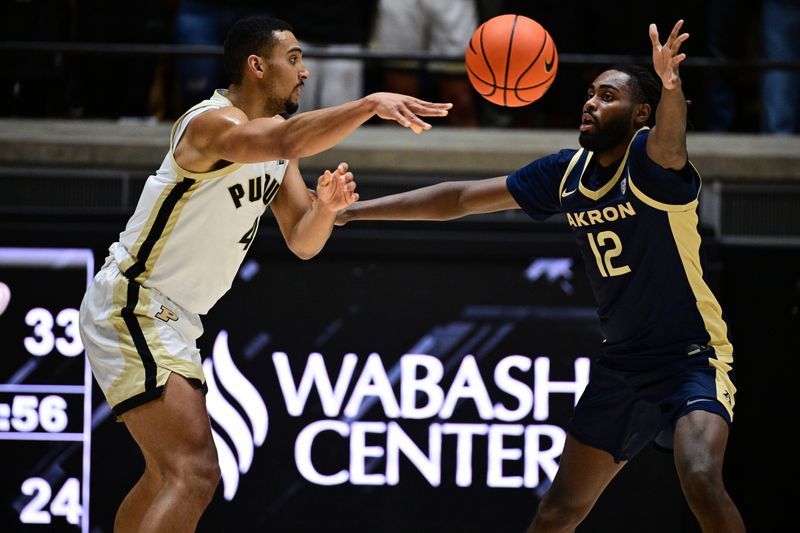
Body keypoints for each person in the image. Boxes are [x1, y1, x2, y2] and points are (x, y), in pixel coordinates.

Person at [337, 20, 745, 532]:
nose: (591, 103)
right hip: (623, 365)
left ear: (641, 114)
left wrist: (671, 87)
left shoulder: (650, 163)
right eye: (590, 94)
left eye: (608, 95)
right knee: (557, 512)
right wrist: (353, 212)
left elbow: (672, 136)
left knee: (701, 478)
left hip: (691, 355)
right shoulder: (566, 173)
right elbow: (459, 199)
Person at [78, 15, 450, 532]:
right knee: (195, 473)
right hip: (135, 302)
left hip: (175, 317)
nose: (305, 72)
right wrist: (368, 104)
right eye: (293, 59)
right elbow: (280, 142)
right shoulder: (209, 124)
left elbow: (302, 241)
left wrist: (323, 208)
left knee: (168, 475)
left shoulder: (278, 150)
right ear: (256, 66)